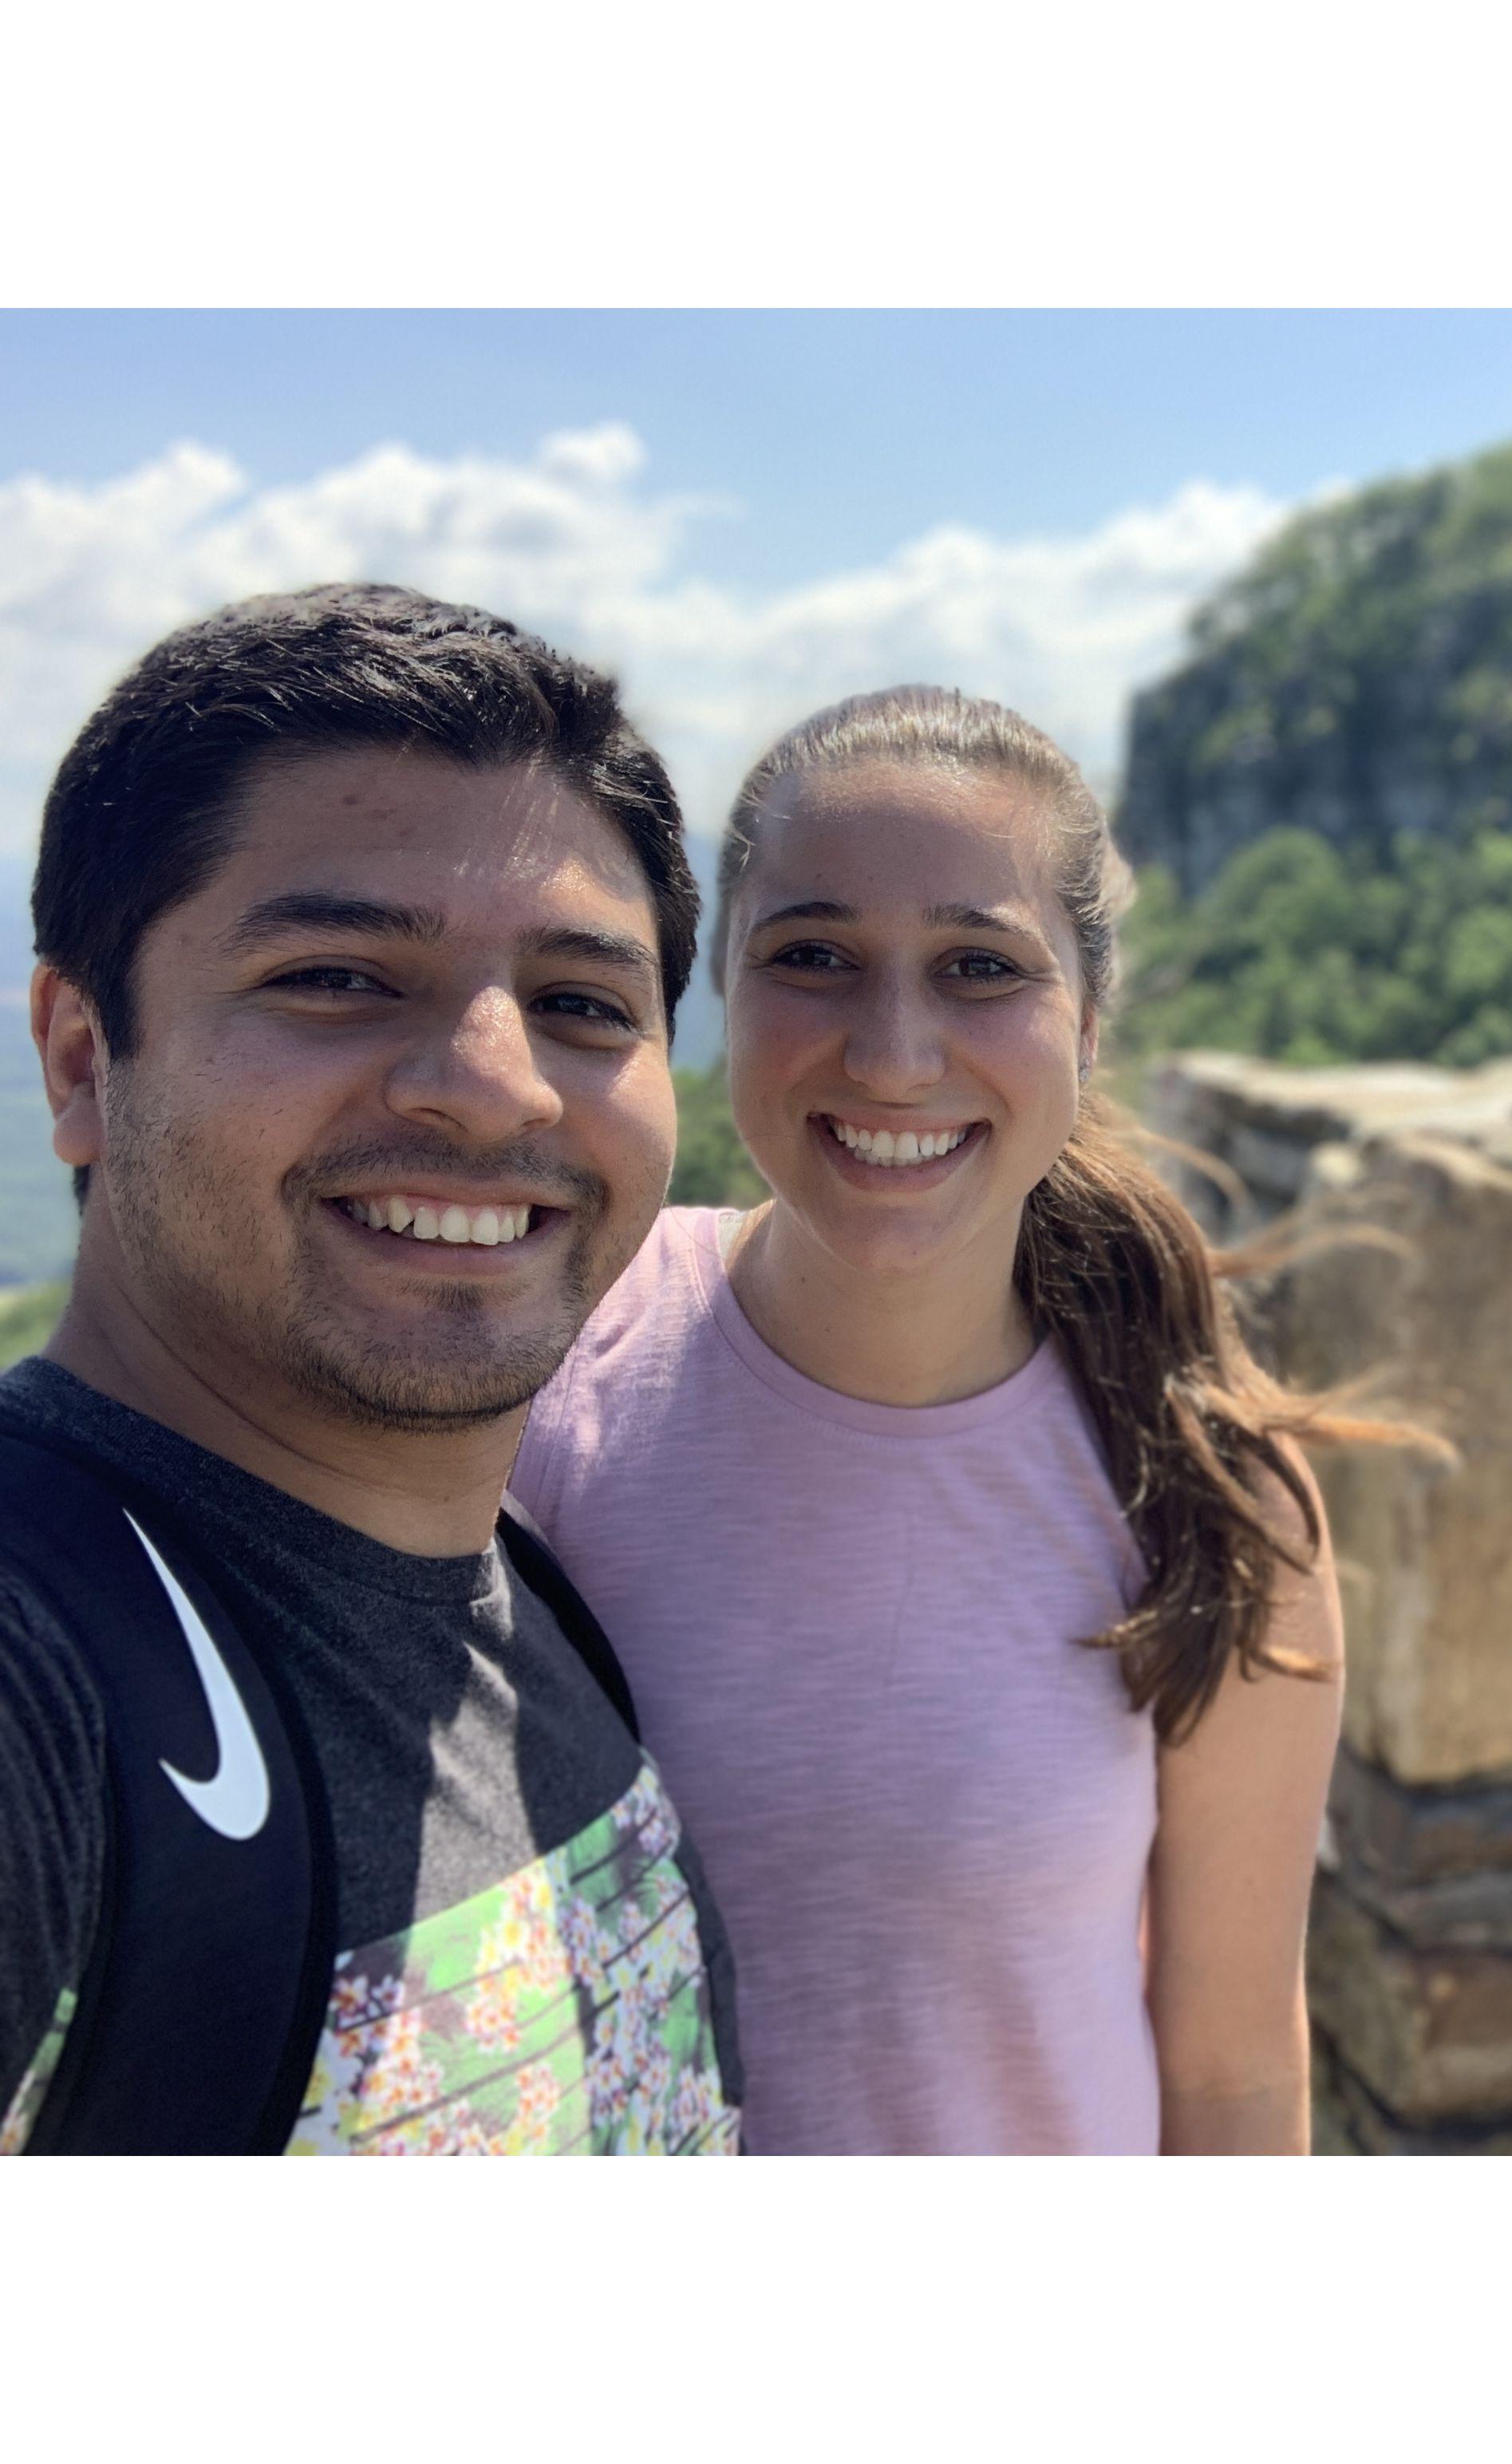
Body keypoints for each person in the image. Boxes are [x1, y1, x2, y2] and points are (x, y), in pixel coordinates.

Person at [513, 685, 1385, 2154]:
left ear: (1089, 1023)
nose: (896, 1051)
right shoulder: (552, 1368)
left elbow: (1233, 2070)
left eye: (980, 967)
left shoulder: (1206, 1490)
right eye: (817, 959)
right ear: (719, 992)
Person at [0, 583, 741, 2155]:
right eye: (336, 974)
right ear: (80, 1057)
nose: (492, 1088)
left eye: (581, 1004)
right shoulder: (41, 1674)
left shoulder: (525, 1594)